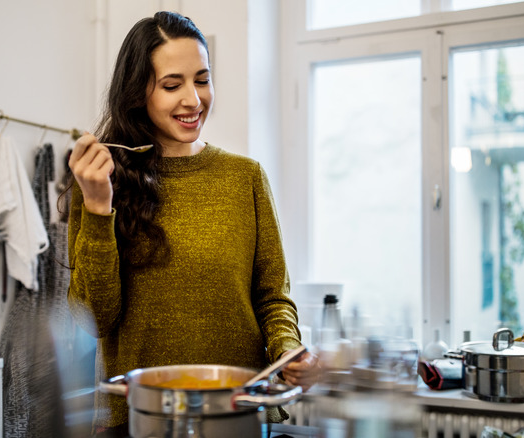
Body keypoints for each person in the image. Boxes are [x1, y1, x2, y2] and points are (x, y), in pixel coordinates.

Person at [66, 11, 319, 436]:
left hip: (239, 417)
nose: (193, 99)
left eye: (202, 80)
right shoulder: (101, 182)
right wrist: (96, 208)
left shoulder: (245, 177)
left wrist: (288, 351)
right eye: (171, 84)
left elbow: (272, 297)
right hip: (141, 422)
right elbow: (95, 318)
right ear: (137, 92)